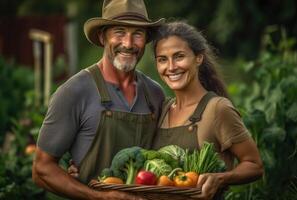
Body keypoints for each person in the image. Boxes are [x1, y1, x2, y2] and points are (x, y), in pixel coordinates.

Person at [32, 0, 165, 199]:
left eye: (137, 33)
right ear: (103, 36)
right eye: (119, 32)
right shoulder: (74, 92)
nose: (128, 44)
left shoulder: (155, 94)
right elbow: (42, 169)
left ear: (146, 39)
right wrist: (99, 197)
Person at [151, 21, 264, 199]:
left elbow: (254, 165)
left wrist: (220, 179)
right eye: (162, 59)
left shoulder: (217, 108)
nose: (171, 67)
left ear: (198, 58)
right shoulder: (162, 109)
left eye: (179, 56)